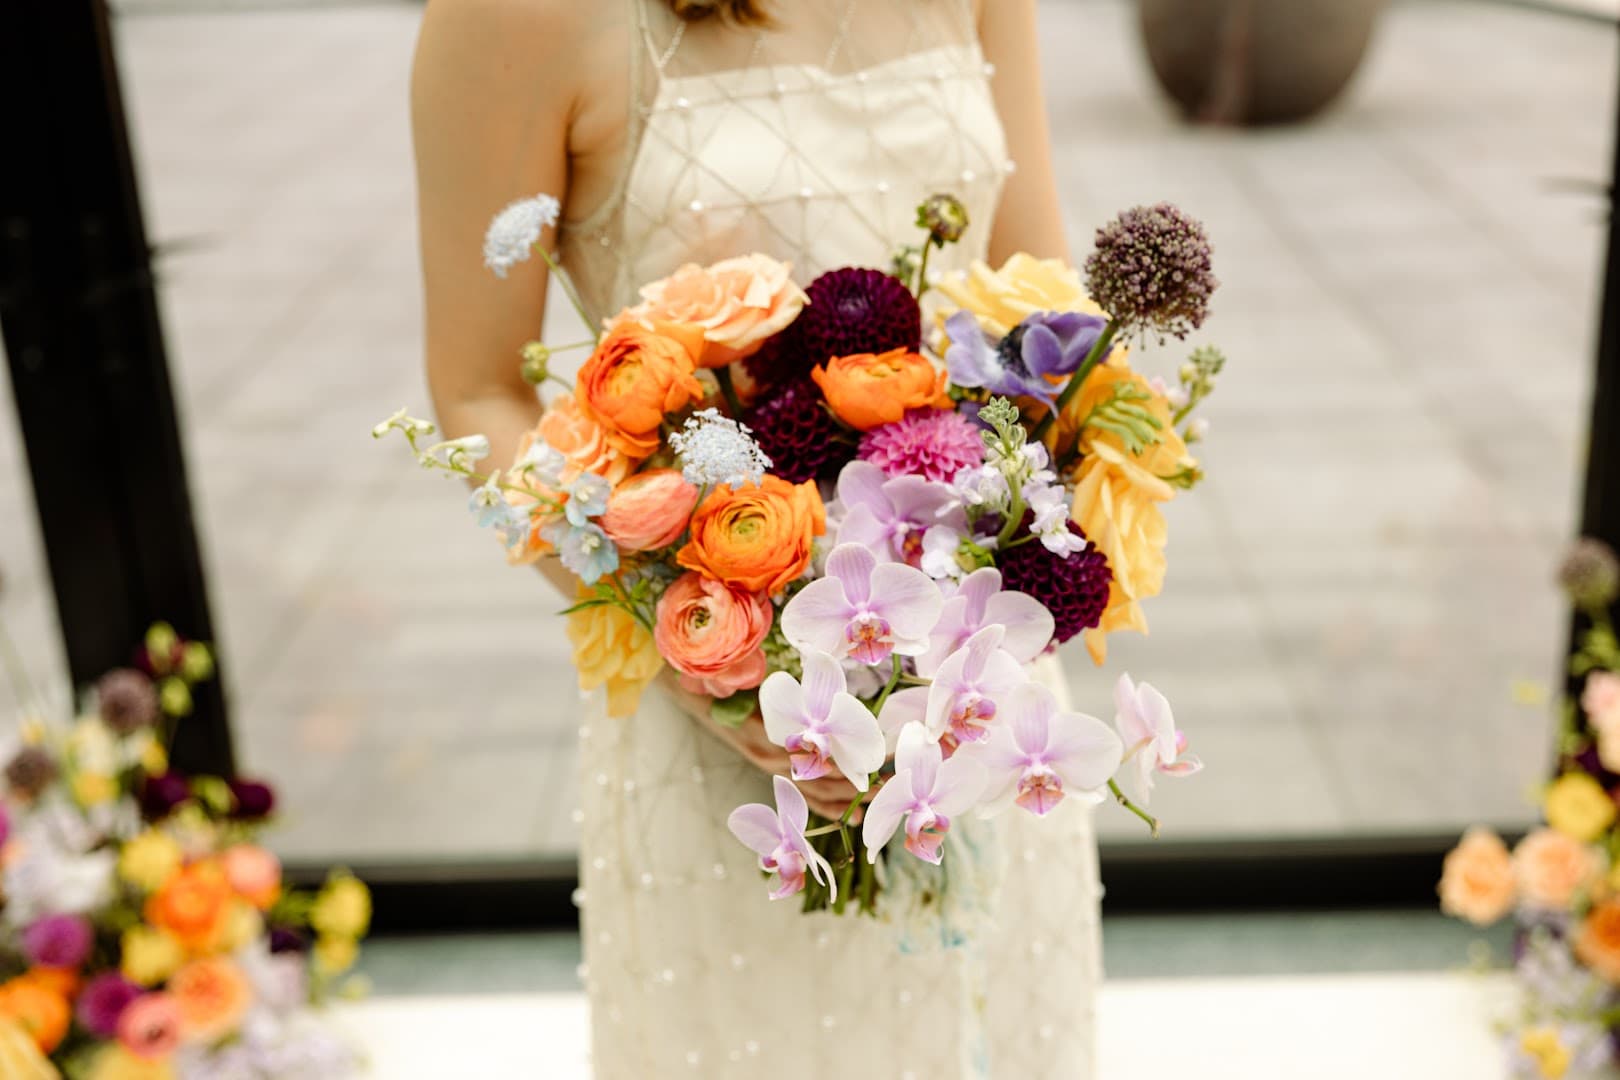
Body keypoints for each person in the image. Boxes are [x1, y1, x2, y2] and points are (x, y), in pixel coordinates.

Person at [412, 1, 1101, 1075]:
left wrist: (1009, 578)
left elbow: (1038, 312)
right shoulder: (516, 17)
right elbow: (475, 388)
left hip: (980, 700)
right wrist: (713, 650)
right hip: (731, 740)